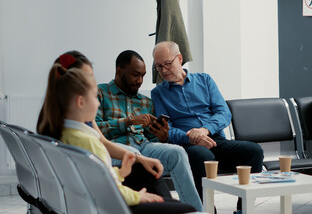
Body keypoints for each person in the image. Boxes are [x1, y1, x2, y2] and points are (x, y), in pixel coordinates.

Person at [37, 61, 196, 213]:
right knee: (183, 208)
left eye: (143, 75)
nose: (97, 103)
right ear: (80, 102)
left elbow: (97, 179)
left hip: (105, 196)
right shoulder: (88, 141)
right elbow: (107, 190)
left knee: (174, 157)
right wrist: (138, 196)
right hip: (114, 204)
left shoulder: (65, 132)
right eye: (93, 98)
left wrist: (161, 135)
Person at [151, 41, 264, 213]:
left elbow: (223, 113)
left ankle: (243, 209)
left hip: (215, 140)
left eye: (167, 64)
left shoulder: (205, 80)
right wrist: (190, 137)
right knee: (202, 154)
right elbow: (167, 130)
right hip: (187, 145)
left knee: (254, 151)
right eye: (159, 67)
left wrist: (204, 130)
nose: (164, 71)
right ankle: (208, 209)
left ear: (179, 58)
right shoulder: (158, 93)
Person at [37, 51, 170, 194]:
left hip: (88, 192)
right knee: (148, 176)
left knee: (144, 168)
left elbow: (105, 143)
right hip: (101, 195)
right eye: (88, 77)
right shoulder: (79, 133)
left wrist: (140, 158)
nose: (92, 81)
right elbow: (103, 187)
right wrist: (138, 197)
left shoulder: (62, 119)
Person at [95, 50, 203, 211]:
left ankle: (195, 211)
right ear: (119, 71)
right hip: (115, 148)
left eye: (143, 75)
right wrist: (129, 121)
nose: (140, 81)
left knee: (177, 152)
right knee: (133, 152)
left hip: (143, 146)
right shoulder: (100, 93)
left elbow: (150, 139)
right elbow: (95, 130)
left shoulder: (146, 102)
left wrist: (162, 135)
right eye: (135, 75)